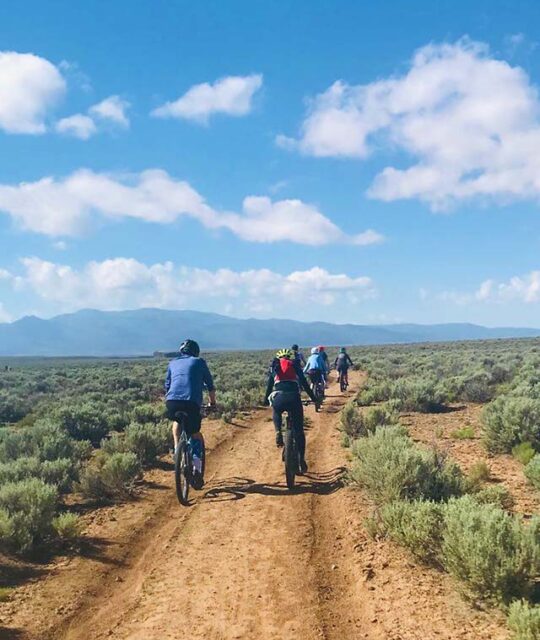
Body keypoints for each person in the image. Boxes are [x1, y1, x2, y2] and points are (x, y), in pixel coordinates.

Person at [164, 339, 216, 487]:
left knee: (176, 425)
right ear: (196, 351)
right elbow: (210, 386)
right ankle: (197, 470)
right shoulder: (199, 362)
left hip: (172, 401)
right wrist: (212, 403)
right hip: (191, 402)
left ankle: (177, 453)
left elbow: (167, 385)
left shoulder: (172, 362)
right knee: (195, 434)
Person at [264, 348, 317, 473]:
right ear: (289, 358)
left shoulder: (275, 367)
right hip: (293, 397)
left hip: (279, 397)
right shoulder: (294, 365)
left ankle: (278, 431)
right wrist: (313, 398)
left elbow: (269, 386)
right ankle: (302, 460)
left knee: (276, 411)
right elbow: (304, 383)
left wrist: (265, 400)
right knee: (299, 431)